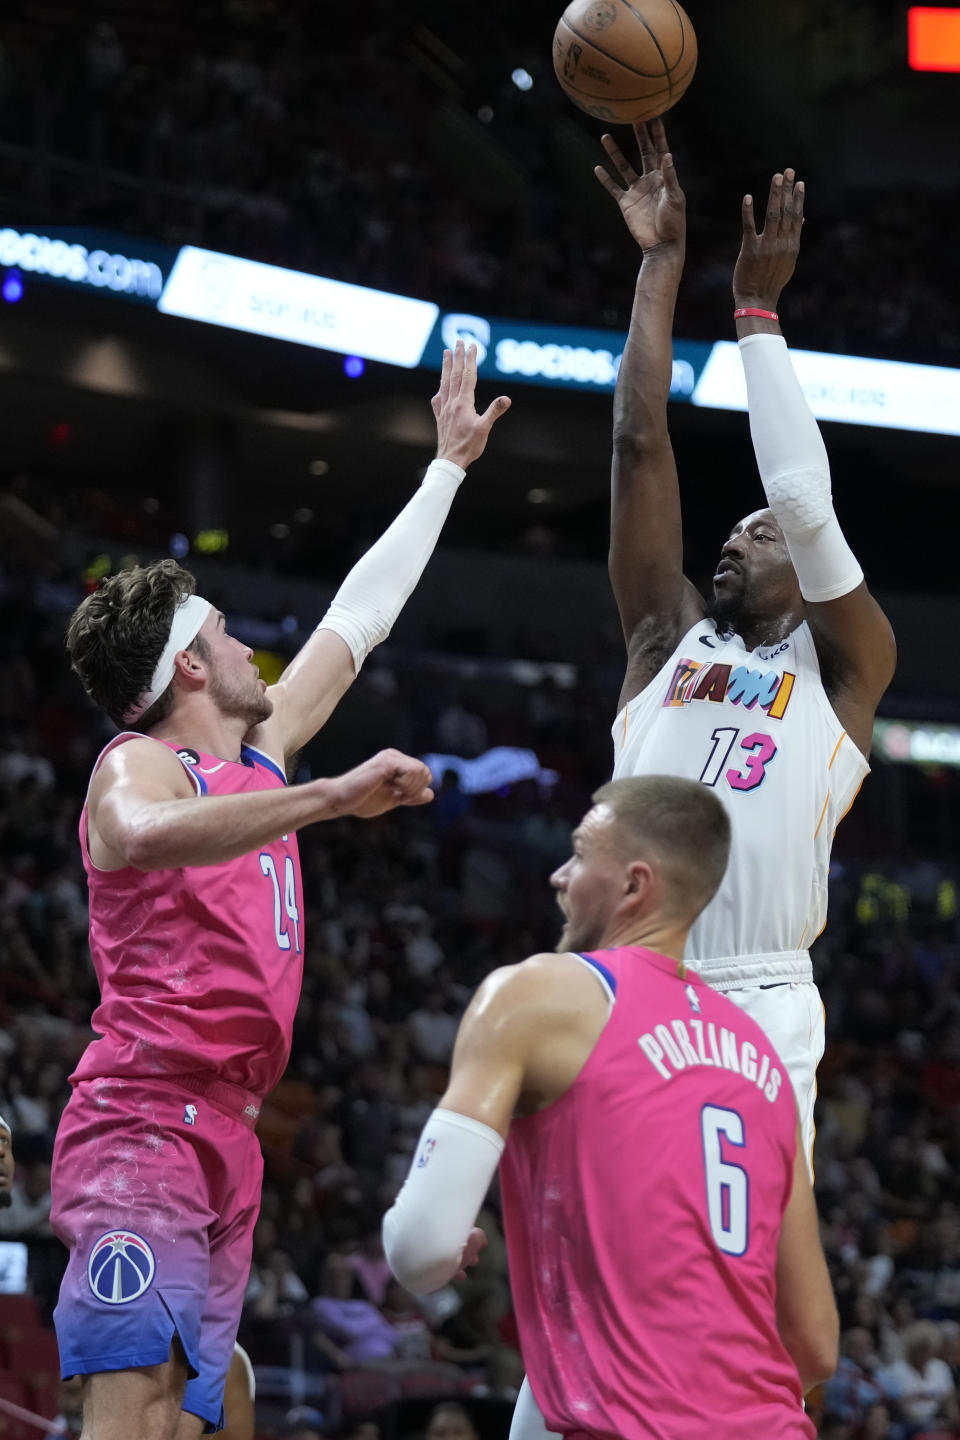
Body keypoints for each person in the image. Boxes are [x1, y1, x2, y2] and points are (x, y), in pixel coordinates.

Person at [50, 341, 511, 1440]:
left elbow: (359, 619)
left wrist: (444, 468)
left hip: (232, 1132)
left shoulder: (264, 754)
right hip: (143, 1118)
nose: (253, 643)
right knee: (135, 1400)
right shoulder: (141, 764)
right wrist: (330, 802)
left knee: (198, 1414)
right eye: (224, 631)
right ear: (190, 672)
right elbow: (138, 835)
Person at [594, 119, 896, 1163]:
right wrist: (660, 265)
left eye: (755, 532)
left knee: (753, 1266)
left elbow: (805, 504)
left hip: (762, 992)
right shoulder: (664, 641)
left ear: (808, 586)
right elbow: (639, 443)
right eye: (734, 526)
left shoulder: (847, 667)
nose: (737, 531)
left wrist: (757, 314)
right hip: (630, 975)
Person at [382, 776, 839, 1439]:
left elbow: (420, 1250)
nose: (558, 876)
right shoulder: (762, 1060)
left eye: (578, 853)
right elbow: (817, 1345)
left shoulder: (537, 994)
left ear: (633, 885)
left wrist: (435, 1246)